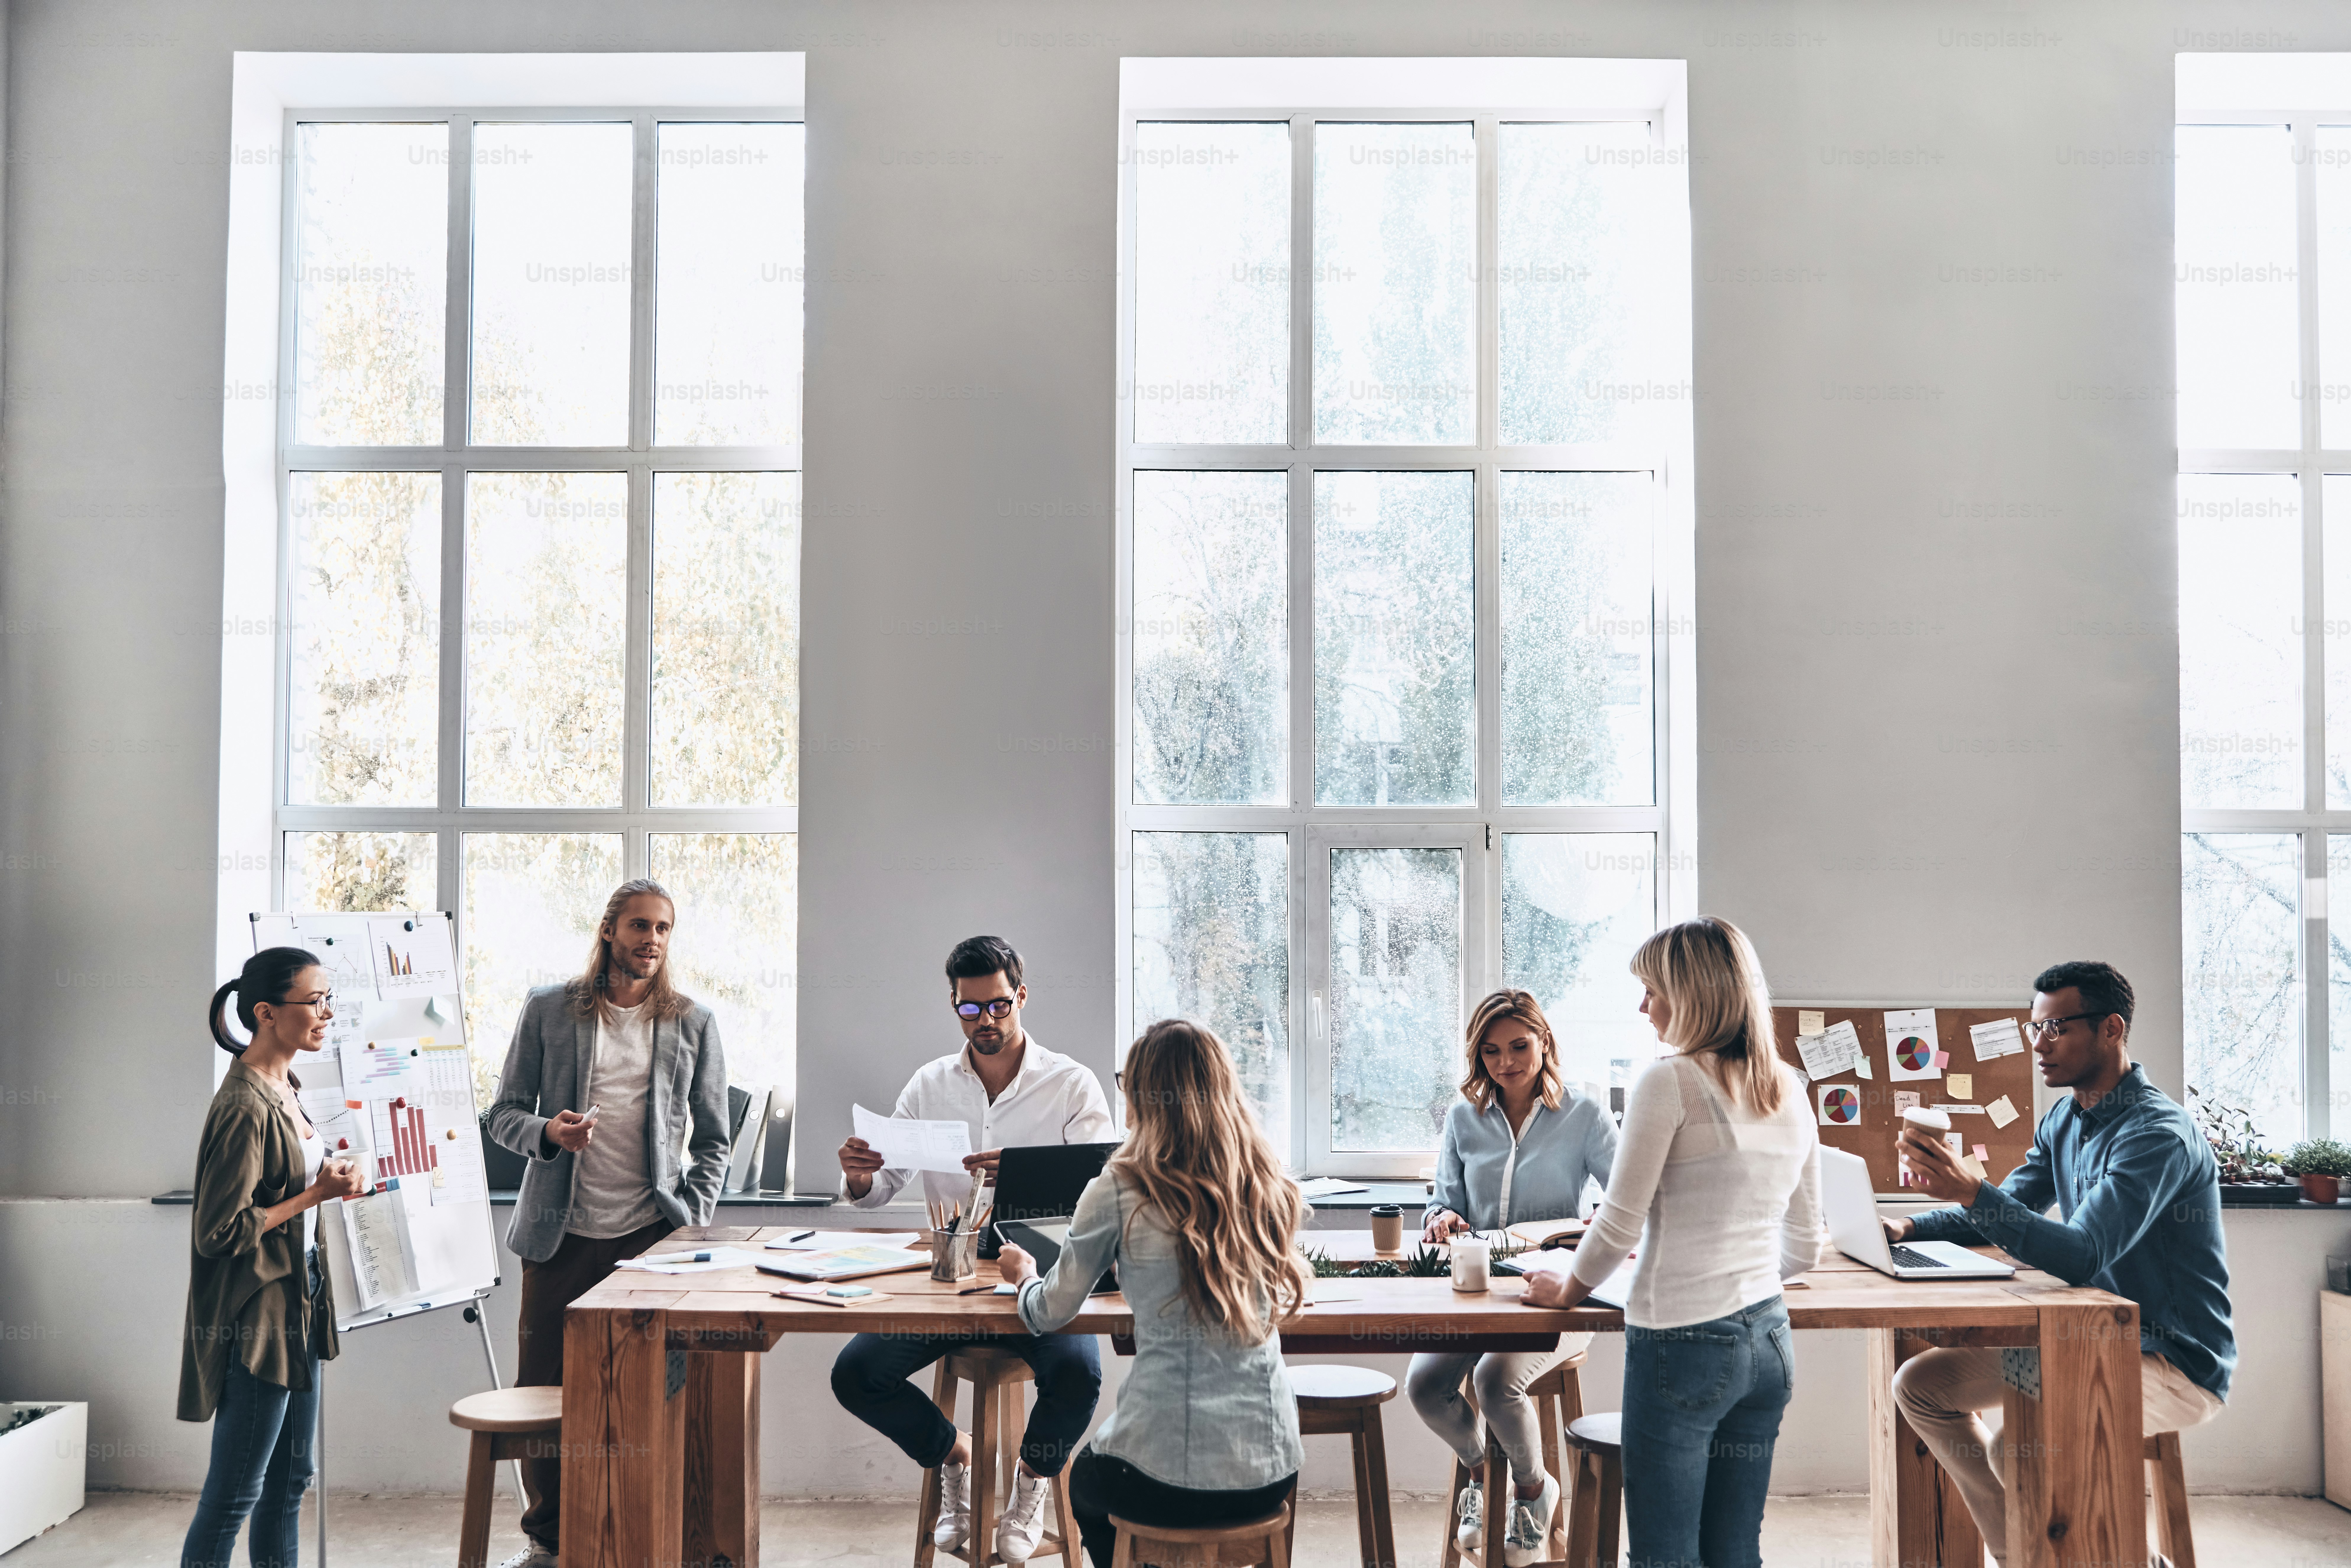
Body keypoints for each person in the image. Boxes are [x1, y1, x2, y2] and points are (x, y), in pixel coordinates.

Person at [1886, 961, 2234, 1567]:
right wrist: (1906, 1226)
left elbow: (2079, 1256)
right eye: (2033, 1029)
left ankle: (2087, 1556)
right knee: (1921, 1386)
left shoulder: (2156, 1135)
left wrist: (1973, 1191)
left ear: (2112, 1029)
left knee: (2014, 1451)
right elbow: (2009, 1206)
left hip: (2174, 1360)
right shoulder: (2065, 1119)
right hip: (2086, 1342)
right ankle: (2029, 1555)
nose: (2039, 1045)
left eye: (2056, 1028)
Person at [1523, 917, 1825, 1568]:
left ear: (1694, 994)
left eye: (1652, 990)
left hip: (1684, 1342)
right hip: (1769, 1343)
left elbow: (1619, 1223)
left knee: (1665, 1556)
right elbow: (1804, 1249)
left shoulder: (1669, 1082)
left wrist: (1567, 1288)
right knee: (1733, 1550)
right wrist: (1734, 1271)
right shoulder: (1791, 1089)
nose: (1643, 1006)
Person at [830, 935, 1114, 1565]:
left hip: (1043, 1272)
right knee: (857, 1375)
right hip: (950, 1278)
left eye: (998, 1006)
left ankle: (1031, 1483)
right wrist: (858, 1178)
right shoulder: (930, 1084)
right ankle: (955, 1455)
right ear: (953, 1003)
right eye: (969, 1009)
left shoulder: (1069, 1083)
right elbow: (883, 1189)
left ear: (1020, 996)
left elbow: (1104, 1183)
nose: (985, 1021)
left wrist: (1022, 1170)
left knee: (1078, 1375)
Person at [1001, 1019, 1307, 1568]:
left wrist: (1024, 1276)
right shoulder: (1267, 1181)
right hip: (1273, 1470)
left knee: (1086, 1486)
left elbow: (1050, 1311)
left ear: (1145, 1096)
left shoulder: (1118, 1186)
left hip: (1166, 1476)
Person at [486, 879, 730, 1568]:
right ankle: (550, 1542)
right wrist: (547, 1132)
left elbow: (714, 1140)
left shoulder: (693, 1021)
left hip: (651, 1240)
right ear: (608, 932)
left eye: (663, 929)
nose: (651, 940)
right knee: (544, 1393)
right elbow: (500, 1114)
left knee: (658, 1393)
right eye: (639, 926)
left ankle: (659, 1534)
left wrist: (693, 1219)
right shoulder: (549, 1010)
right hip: (559, 1238)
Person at [1408, 989, 1617, 1564]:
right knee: (1424, 1387)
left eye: (1519, 1046)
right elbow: (1440, 1206)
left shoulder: (1584, 1115)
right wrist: (1442, 1219)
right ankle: (1483, 1475)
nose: (1507, 1062)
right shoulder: (1462, 1120)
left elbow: (1628, 1201)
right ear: (1479, 1057)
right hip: (1476, 1295)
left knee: (1494, 1382)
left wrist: (1603, 1219)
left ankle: (1531, 1490)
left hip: (1557, 1297)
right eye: (1492, 1051)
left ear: (1544, 1042)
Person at [179, 947, 367, 1568]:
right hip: (259, 1315)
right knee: (236, 1493)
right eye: (314, 1002)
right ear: (266, 1013)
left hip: (301, 1300)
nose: (326, 1013)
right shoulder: (242, 1106)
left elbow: (289, 1185)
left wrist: (330, 1178)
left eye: (326, 1000)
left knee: (289, 1482)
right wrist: (317, 1194)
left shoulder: (285, 1084)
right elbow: (219, 1231)